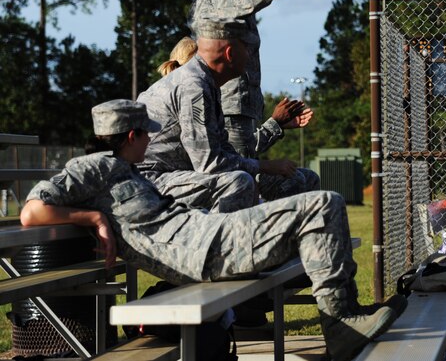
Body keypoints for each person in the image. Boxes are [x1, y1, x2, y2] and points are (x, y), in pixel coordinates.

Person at [21, 99, 406, 361]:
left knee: (322, 208)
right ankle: (341, 326)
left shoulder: (125, 169)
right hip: (198, 252)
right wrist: (91, 219)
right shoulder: (92, 167)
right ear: (132, 136)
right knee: (324, 204)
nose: (151, 139)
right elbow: (32, 212)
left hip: (206, 234)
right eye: (147, 134)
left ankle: (345, 316)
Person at [187, 0, 326, 182]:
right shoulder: (223, 1)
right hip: (232, 109)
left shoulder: (206, 0)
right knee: (240, 182)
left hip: (234, 107)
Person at [138, 33, 316, 209]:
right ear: (229, 54)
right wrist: (268, 162)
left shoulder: (207, 88)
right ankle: (230, 238)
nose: (249, 56)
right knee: (239, 182)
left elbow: (227, 152)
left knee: (300, 178)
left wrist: (275, 128)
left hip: (178, 175)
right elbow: (213, 163)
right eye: (245, 49)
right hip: (151, 182)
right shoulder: (194, 87)